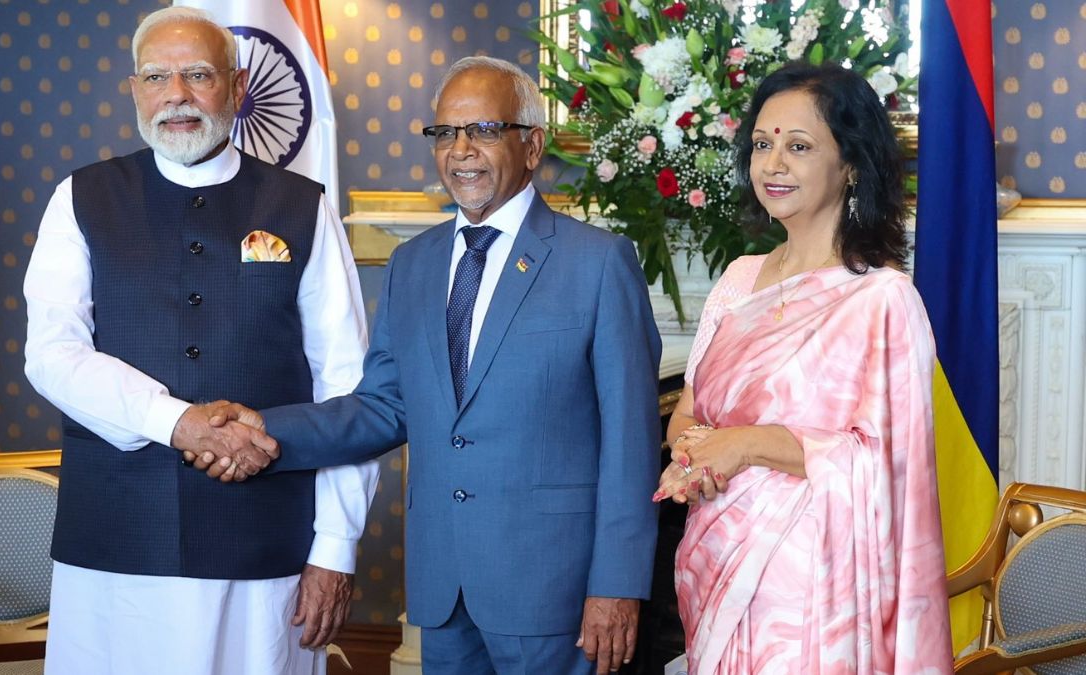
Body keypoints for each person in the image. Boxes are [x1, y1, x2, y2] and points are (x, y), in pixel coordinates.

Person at [190, 55, 662, 675]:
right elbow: (384, 406)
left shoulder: (599, 264)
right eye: (444, 133)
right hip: (442, 589)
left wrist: (618, 585)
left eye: (484, 130)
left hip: (558, 591)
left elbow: (632, 440)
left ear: (532, 145)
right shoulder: (413, 264)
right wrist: (262, 429)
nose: (460, 150)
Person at [22, 7, 378, 674]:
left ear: (237, 88)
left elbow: (347, 387)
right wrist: (176, 421)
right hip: (115, 541)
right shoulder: (80, 198)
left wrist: (335, 546)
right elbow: (52, 353)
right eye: (156, 76)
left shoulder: (304, 206)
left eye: (198, 74)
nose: (176, 94)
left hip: (265, 544)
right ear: (133, 91)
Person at [655, 62, 954, 673]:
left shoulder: (882, 300)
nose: (773, 164)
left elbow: (890, 465)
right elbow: (688, 410)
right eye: (762, 145)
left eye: (798, 147)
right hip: (716, 558)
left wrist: (748, 446)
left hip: (815, 590)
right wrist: (695, 454)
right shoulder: (738, 279)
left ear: (850, 165)